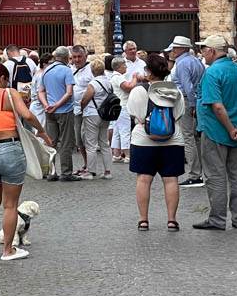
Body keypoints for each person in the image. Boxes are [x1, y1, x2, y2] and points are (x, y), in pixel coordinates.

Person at [0, 62, 51, 260]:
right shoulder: (9, 93)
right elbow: (27, 115)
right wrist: (42, 133)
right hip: (9, 148)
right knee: (10, 204)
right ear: (2, 78)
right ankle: (8, 250)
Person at [194, 35, 237, 231]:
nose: (202, 52)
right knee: (236, 176)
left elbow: (217, 107)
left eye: (204, 49)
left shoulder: (212, 73)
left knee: (216, 176)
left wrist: (230, 129)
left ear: (212, 51)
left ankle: (217, 219)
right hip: (236, 133)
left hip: (215, 131)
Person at [127, 53, 186, 231]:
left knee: (144, 180)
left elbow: (133, 113)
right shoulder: (175, 90)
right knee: (171, 180)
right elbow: (179, 113)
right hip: (172, 140)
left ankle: (143, 220)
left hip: (143, 141)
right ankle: (171, 219)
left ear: (150, 72)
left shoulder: (139, 90)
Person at [167, 36, 206, 188]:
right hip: (195, 101)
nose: (172, 51)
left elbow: (187, 86)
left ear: (181, 48)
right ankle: (201, 171)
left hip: (186, 101)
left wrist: (192, 104)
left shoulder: (182, 63)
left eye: (175, 48)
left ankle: (195, 173)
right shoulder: (196, 61)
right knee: (196, 138)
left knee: (188, 137)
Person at [38, 46, 78, 181]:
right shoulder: (67, 71)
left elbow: (41, 91)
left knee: (51, 141)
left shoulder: (45, 71)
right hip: (64, 110)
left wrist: (46, 104)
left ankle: (51, 172)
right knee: (66, 141)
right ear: (67, 58)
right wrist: (57, 105)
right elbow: (69, 92)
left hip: (49, 111)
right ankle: (66, 172)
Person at [78, 58, 114, 179]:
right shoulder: (108, 83)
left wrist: (81, 107)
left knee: (91, 144)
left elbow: (85, 99)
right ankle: (108, 171)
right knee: (104, 143)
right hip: (105, 114)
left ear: (92, 71)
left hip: (92, 114)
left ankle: (91, 172)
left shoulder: (93, 84)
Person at [69, 45, 93, 174]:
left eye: (80, 57)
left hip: (89, 109)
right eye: (74, 57)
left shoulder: (91, 70)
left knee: (89, 139)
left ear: (85, 56)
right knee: (79, 139)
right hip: (75, 110)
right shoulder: (70, 69)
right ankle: (86, 163)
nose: (77, 60)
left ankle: (91, 166)